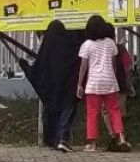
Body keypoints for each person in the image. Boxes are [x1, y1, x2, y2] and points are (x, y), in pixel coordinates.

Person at [23, 20, 82, 151]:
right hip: (69, 87)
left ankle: (53, 140)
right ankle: (63, 139)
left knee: (52, 111)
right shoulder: (70, 48)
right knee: (67, 112)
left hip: (52, 89)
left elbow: (38, 70)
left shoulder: (47, 50)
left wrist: (25, 66)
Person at [77, 15, 129, 152]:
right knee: (114, 110)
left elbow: (83, 67)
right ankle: (122, 138)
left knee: (92, 113)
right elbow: (113, 64)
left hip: (94, 83)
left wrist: (79, 84)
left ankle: (92, 145)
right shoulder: (110, 43)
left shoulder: (87, 45)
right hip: (110, 80)